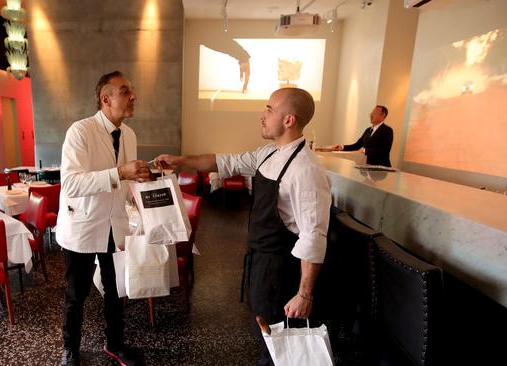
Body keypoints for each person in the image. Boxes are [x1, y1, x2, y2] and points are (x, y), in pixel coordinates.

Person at [155, 88, 331, 365]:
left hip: (281, 271)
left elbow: (314, 237)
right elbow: (225, 162)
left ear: (289, 120)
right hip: (260, 262)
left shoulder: (306, 170)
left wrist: (303, 294)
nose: (262, 115)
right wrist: (181, 161)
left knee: (280, 346)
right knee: (265, 333)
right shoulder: (269, 154)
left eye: (269, 109)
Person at [56, 71, 149, 366]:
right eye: (125, 91)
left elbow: (126, 182)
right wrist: (120, 173)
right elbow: (71, 184)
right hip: (83, 226)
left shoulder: (130, 135)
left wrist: (146, 179)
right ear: (105, 98)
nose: (132, 96)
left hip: (115, 224)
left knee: (114, 290)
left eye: (131, 91)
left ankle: (115, 344)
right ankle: (70, 348)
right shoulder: (80, 132)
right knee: (76, 294)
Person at [326, 105, 393, 167]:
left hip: (381, 168)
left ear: (383, 116)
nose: (371, 115)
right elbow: (357, 145)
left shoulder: (387, 130)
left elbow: (384, 151)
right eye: (371, 113)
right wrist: (342, 147)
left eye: (374, 113)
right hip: (366, 166)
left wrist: (364, 150)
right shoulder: (368, 130)